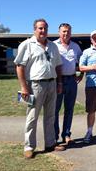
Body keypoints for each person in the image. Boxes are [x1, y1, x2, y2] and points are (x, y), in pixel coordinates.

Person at [14, 18, 65, 159]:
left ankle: (50, 143)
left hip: (52, 83)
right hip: (35, 85)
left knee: (50, 116)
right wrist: (24, 87)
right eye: (40, 28)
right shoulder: (27, 45)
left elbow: (58, 66)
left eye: (45, 28)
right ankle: (29, 146)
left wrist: (59, 83)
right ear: (34, 29)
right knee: (32, 117)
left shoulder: (53, 46)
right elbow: (19, 66)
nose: (43, 31)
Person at [54, 23, 83, 145]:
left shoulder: (75, 47)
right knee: (55, 109)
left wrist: (81, 75)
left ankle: (66, 135)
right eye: (64, 31)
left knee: (69, 109)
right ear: (59, 32)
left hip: (72, 80)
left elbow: (82, 61)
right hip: (57, 81)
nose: (66, 34)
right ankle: (54, 136)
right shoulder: (53, 45)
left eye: (68, 31)